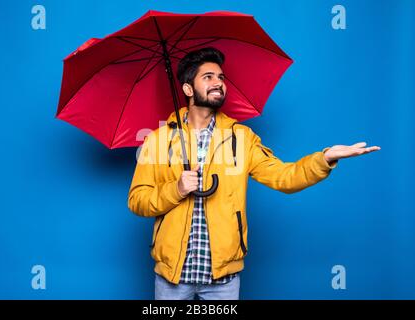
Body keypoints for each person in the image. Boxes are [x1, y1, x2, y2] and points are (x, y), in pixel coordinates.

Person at [127, 47, 380, 300]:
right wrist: (177, 189)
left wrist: (325, 158)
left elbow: (285, 176)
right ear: (188, 89)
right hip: (172, 276)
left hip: (223, 279)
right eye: (208, 77)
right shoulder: (158, 141)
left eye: (221, 78)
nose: (218, 83)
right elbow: (137, 200)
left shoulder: (242, 138)